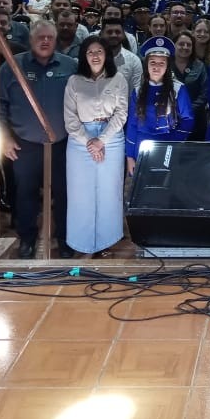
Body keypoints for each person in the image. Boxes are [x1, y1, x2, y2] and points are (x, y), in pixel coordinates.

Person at [0, 19, 78, 259]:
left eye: (49, 37)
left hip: (62, 144)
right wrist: (4, 137)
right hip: (25, 144)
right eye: (40, 37)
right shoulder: (12, 66)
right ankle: (27, 239)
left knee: (64, 194)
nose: (45, 41)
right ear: (30, 40)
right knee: (25, 195)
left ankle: (65, 240)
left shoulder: (70, 66)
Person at [63, 35, 129, 257]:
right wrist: (89, 141)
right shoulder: (74, 81)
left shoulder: (118, 79)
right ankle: (81, 243)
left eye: (99, 51)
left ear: (106, 54)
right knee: (80, 193)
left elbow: (121, 114)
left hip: (111, 138)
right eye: (90, 52)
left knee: (109, 191)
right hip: (80, 140)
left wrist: (101, 140)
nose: (95, 55)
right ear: (84, 56)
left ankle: (106, 242)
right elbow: (70, 119)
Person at [125, 37, 194, 176]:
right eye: (153, 62)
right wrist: (130, 156)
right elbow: (132, 124)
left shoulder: (177, 89)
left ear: (168, 65)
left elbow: (188, 120)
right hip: (141, 144)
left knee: (165, 183)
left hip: (168, 143)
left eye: (162, 63)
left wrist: (173, 140)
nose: (156, 67)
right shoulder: (138, 91)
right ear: (146, 65)